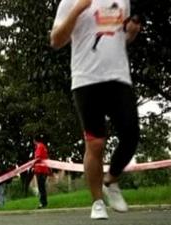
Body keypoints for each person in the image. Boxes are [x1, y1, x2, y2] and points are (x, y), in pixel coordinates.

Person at [50, 0, 141, 220]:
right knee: (96, 143)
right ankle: (97, 201)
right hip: (86, 79)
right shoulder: (70, 2)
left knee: (131, 136)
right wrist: (79, 8)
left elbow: (117, 39)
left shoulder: (123, 2)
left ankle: (111, 179)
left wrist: (131, 35)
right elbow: (56, 40)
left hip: (118, 77)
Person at [32, 136, 50, 209]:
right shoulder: (43, 146)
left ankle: (43, 203)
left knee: (41, 187)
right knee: (42, 187)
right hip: (44, 170)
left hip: (40, 170)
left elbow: (38, 157)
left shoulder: (39, 147)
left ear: (35, 140)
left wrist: (32, 164)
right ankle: (44, 202)